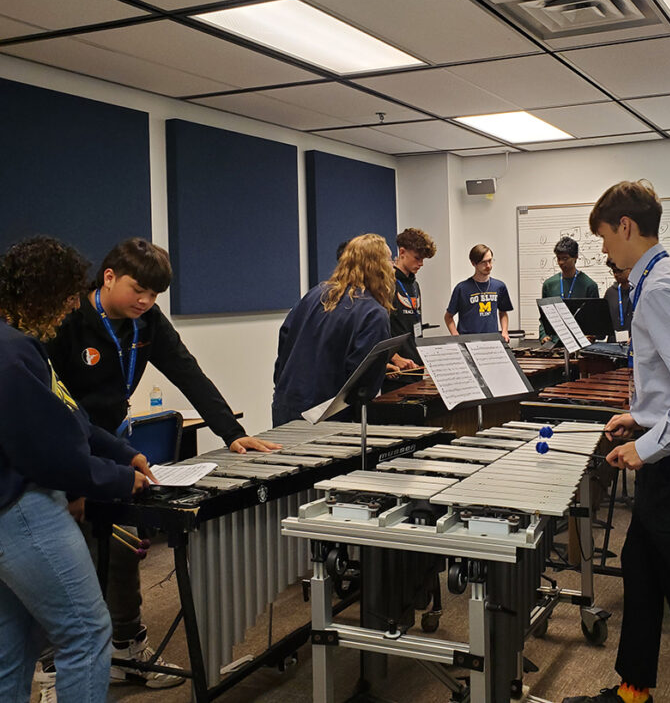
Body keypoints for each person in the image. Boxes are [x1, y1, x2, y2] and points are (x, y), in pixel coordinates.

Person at [44, 237, 279, 694]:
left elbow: (187, 371)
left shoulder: (146, 320)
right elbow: (51, 408)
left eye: (154, 295)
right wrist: (69, 479)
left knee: (123, 545)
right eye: (138, 290)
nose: (146, 301)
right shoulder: (68, 322)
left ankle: (127, 648)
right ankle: (57, 667)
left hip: (111, 444)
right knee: (79, 562)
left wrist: (231, 431)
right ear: (108, 277)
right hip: (65, 447)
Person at [564, 181, 670, 703]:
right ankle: (633, 690)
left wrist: (647, 445)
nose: (603, 250)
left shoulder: (657, 289)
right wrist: (639, 417)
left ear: (626, 227)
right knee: (640, 565)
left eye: (604, 238)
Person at [0, 236, 152, 703]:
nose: (70, 308)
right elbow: (50, 455)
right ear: (44, 293)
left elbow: (72, 418)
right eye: (66, 296)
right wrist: (118, 479)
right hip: (22, 508)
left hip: (12, 509)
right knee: (86, 632)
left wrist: (120, 453)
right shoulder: (11, 354)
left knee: (15, 642)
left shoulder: (23, 346)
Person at [272, 234, 394, 426]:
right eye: (389, 261)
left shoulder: (312, 296)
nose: (393, 267)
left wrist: (283, 389)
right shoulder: (373, 313)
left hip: (286, 406)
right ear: (379, 267)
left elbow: (284, 346)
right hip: (329, 417)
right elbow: (361, 383)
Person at [389, 228, 436, 370]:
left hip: (416, 365)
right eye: (417, 258)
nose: (421, 263)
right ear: (402, 252)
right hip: (398, 368)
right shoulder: (388, 283)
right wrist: (395, 358)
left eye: (423, 259)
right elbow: (378, 332)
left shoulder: (415, 285)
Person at [444, 245, 513, 340]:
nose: (488, 266)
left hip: (492, 340)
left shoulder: (499, 286)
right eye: (483, 262)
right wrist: (456, 337)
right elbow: (448, 317)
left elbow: (503, 312)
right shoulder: (462, 288)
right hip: (468, 341)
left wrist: (505, 331)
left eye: (490, 261)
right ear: (474, 263)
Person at [539, 236, 599, 343]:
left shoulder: (589, 285)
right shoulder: (549, 285)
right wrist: (543, 335)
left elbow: (594, 320)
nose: (561, 262)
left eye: (565, 258)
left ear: (575, 257)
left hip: (580, 342)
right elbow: (544, 317)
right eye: (558, 258)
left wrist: (590, 335)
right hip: (555, 342)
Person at [602, 258, 633, 340]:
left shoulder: (639, 291)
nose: (616, 274)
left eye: (620, 271)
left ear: (630, 269)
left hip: (634, 342)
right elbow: (604, 321)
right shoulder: (610, 292)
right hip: (613, 343)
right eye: (614, 271)